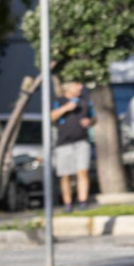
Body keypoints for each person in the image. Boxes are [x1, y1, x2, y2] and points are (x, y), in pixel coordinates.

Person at [51, 79, 94, 212]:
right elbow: (51, 117)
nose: (81, 87)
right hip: (64, 143)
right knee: (65, 174)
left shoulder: (86, 101)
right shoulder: (59, 101)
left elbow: (94, 117)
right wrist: (66, 108)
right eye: (77, 84)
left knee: (82, 171)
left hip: (82, 141)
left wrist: (90, 121)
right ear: (68, 87)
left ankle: (83, 201)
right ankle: (67, 203)